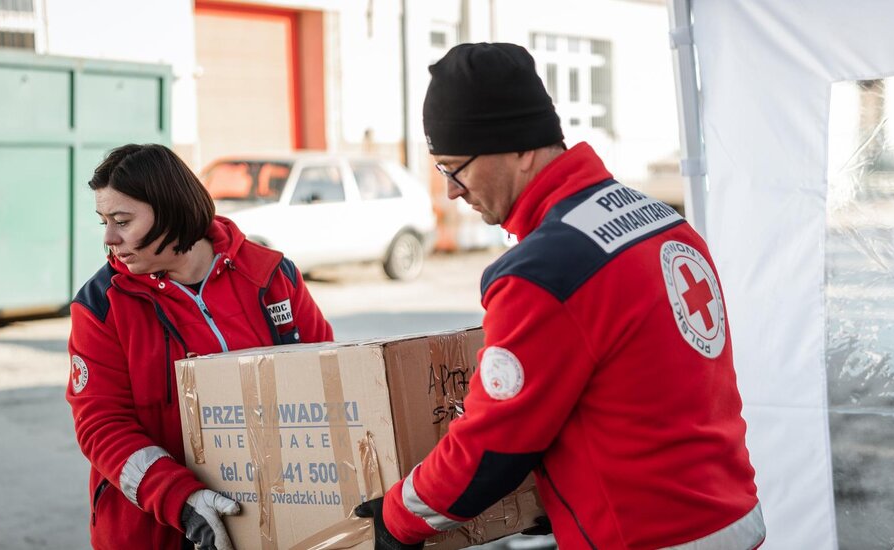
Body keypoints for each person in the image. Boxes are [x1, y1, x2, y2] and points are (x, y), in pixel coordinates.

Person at [354, 43, 764, 549]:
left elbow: (493, 443)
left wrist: (396, 517)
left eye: (453, 166)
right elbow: (643, 387)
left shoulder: (545, 272)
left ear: (521, 147)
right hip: (725, 515)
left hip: (647, 536)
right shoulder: (659, 220)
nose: (452, 192)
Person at [66, 144, 334, 550]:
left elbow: (330, 382)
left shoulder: (271, 275)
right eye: (104, 221)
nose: (109, 238)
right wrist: (181, 498)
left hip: (277, 523)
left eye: (122, 221)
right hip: (153, 532)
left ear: (171, 209)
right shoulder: (102, 304)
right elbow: (101, 424)